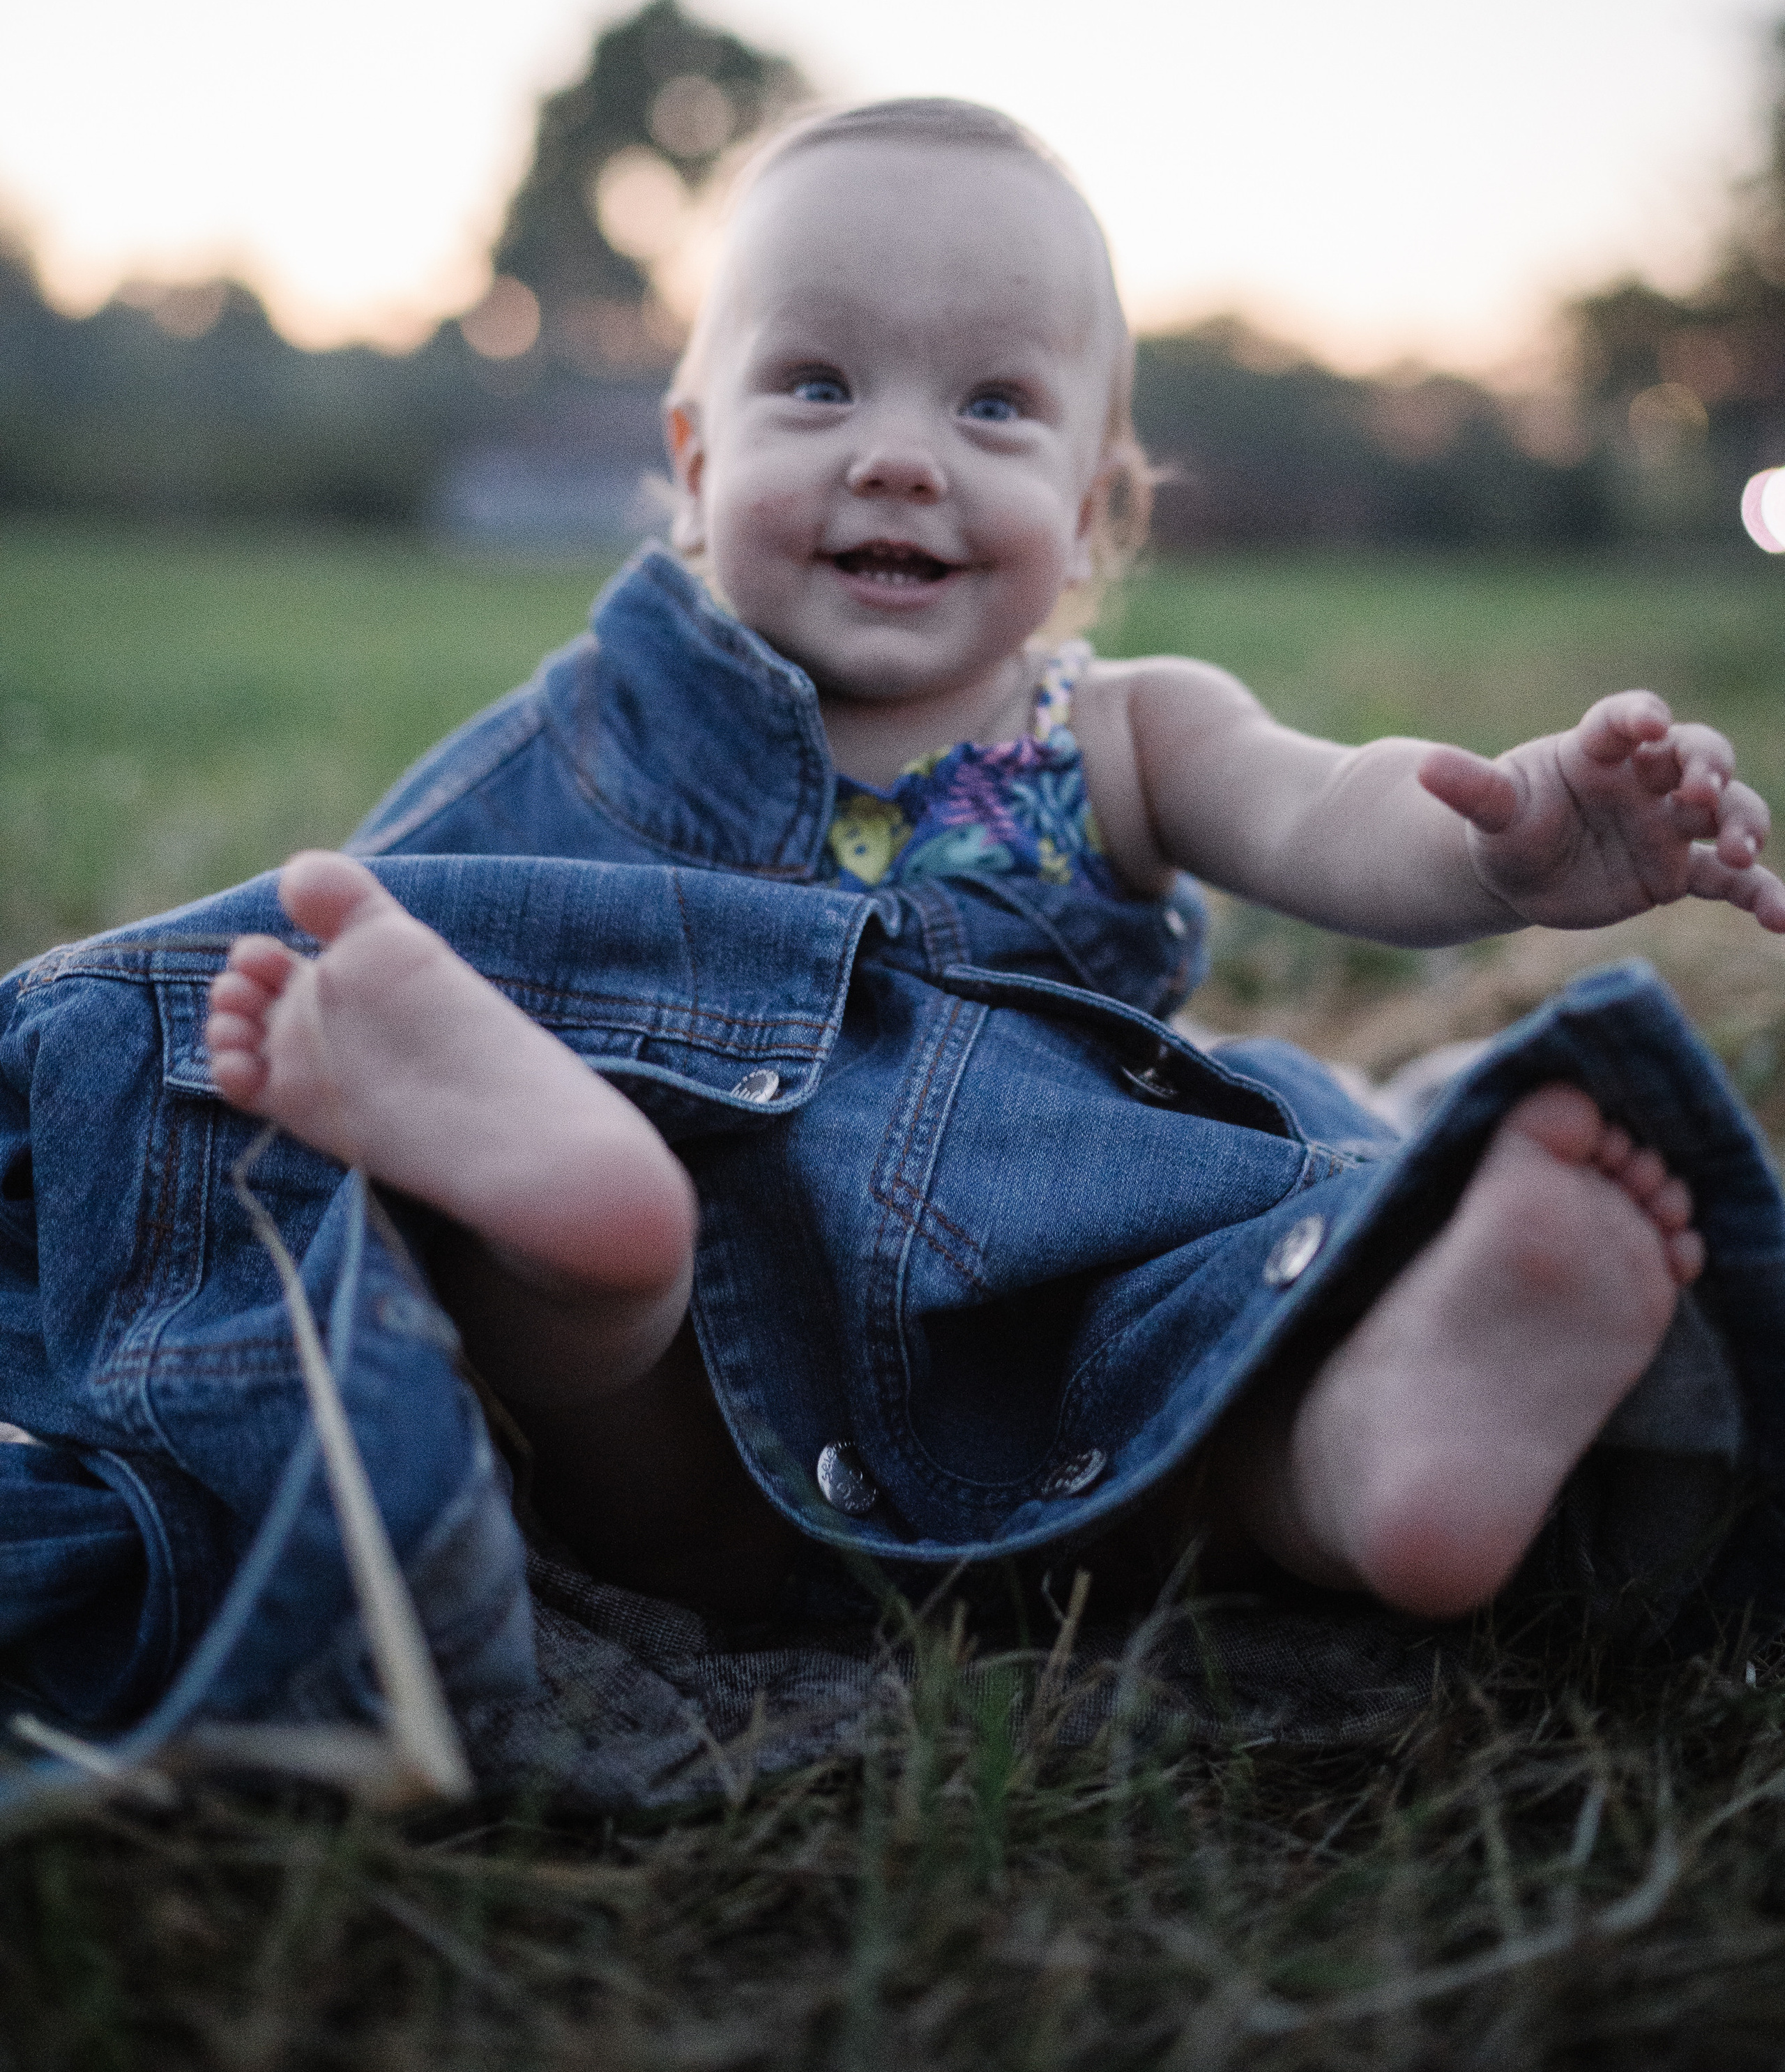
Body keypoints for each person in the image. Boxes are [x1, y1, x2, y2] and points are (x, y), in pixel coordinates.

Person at [200, 99, 1785, 1632]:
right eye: (817, 388)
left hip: (982, 1346)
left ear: (1090, 513)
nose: (897, 456)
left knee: (1174, 1379)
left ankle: (1378, 1455)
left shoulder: (1120, 729)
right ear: (694, 463)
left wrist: (1495, 847)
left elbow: (1324, 811)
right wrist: (339, 1013)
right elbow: (386, 923)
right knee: (1140, 1409)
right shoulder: (623, 729)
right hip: (776, 1337)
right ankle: (595, 1239)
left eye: (990, 407)